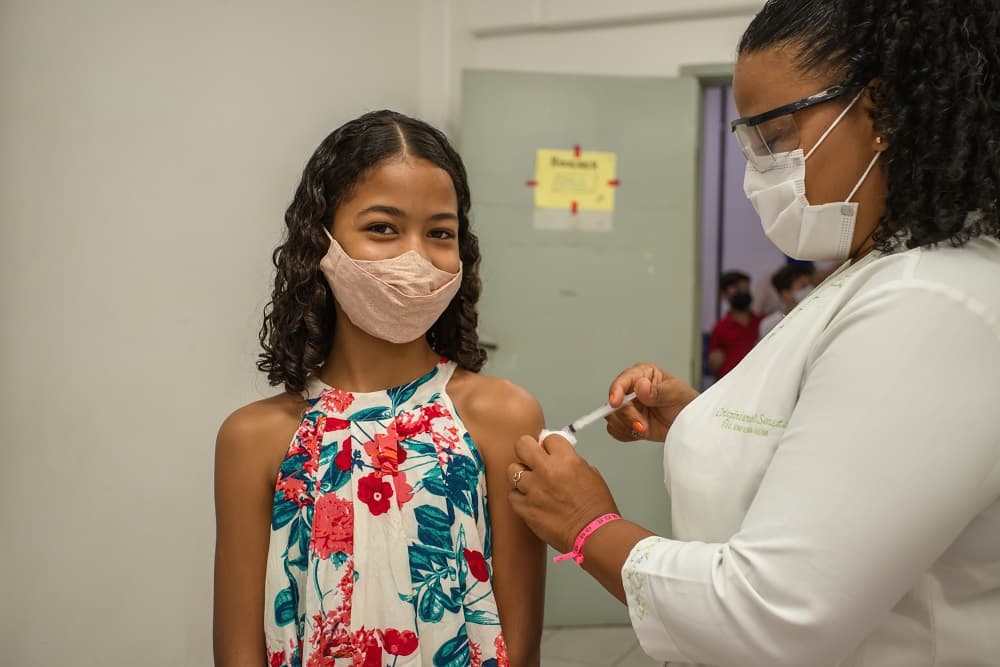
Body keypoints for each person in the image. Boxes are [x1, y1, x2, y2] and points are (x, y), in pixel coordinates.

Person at [506, 1, 1000, 665]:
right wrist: (703, 416)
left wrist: (587, 524)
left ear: (881, 112)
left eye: (776, 133)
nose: (759, 171)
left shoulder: (930, 298)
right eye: (751, 140)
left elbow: (775, 615)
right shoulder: (875, 273)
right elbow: (846, 449)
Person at [213, 111, 546, 667]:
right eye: (383, 228)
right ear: (319, 240)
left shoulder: (502, 417)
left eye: (440, 233)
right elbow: (237, 651)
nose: (414, 257)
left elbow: (521, 643)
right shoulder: (254, 437)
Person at [707, 271, 762, 379]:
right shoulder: (720, 328)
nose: (743, 292)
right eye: (737, 289)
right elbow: (714, 364)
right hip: (729, 384)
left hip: (758, 380)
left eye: (745, 288)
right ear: (724, 295)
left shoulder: (763, 323)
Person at [758, 263, 814, 338]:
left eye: (810, 283)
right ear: (786, 294)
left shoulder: (818, 312)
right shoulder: (770, 325)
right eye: (803, 286)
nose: (810, 288)